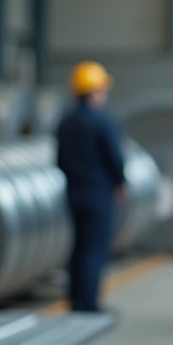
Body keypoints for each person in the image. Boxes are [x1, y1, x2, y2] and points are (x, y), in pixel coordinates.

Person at [56, 60, 126, 313]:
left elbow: (60, 161)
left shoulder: (66, 122)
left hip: (74, 193)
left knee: (78, 248)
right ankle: (89, 304)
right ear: (96, 91)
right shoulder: (103, 122)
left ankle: (75, 300)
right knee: (94, 250)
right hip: (99, 194)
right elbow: (114, 158)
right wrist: (120, 182)